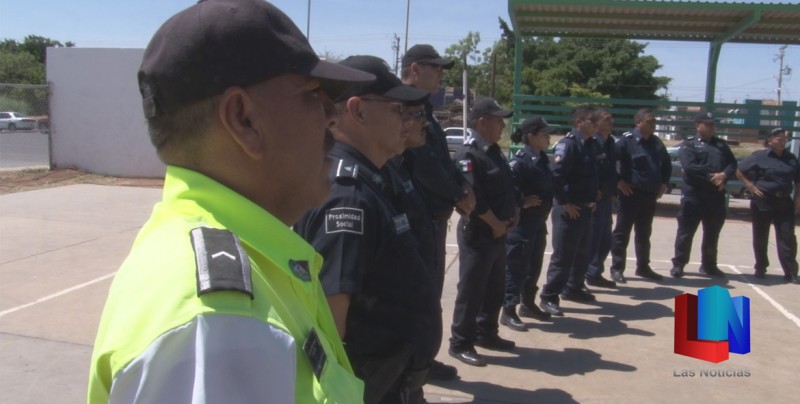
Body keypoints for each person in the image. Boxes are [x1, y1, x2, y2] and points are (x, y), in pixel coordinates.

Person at [87, 1, 376, 402]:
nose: (333, 116)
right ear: (243, 120)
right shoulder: (218, 324)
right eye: (314, 95)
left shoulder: (245, 268)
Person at [294, 55, 438, 404]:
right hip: (370, 389)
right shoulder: (349, 198)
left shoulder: (377, 175)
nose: (406, 120)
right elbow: (331, 326)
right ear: (357, 111)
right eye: (396, 109)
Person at [401, 44, 475, 380]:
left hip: (433, 217)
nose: (441, 74)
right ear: (415, 70)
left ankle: (423, 360)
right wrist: (458, 192)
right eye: (435, 68)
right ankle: (414, 364)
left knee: (429, 293)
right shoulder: (403, 107)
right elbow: (423, 166)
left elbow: (443, 159)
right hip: (417, 217)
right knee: (418, 295)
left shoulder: (425, 111)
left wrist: (463, 185)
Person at [449, 97, 518, 367]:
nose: (502, 125)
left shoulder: (492, 151)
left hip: (498, 231)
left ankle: (486, 333)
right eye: (498, 120)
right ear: (482, 122)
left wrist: (512, 216)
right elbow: (472, 199)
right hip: (478, 233)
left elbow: (506, 187)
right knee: (472, 289)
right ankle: (460, 342)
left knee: (494, 287)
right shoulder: (469, 153)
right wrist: (496, 224)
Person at [539, 106, 600, 317]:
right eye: (592, 121)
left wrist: (595, 197)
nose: (596, 125)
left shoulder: (591, 145)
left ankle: (573, 288)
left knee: (583, 254)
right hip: (569, 210)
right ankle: (549, 296)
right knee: (563, 256)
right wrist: (564, 203)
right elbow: (556, 176)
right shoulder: (568, 145)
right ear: (579, 122)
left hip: (585, 209)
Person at [500, 116, 555, 332]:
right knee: (516, 268)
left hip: (538, 222)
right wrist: (523, 202)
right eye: (544, 134)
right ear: (531, 137)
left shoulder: (542, 158)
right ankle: (509, 309)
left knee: (534, 266)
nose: (548, 137)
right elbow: (508, 190)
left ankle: (528, 304)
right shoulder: (520, 161)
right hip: (522, 225)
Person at [670, 111, 737, 279]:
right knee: (686, 232)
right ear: (697, 126)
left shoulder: (721, 145)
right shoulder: (689, 145)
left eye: (713, 124)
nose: (711, 127)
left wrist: (724, 175)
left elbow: (732, 163)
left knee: (712, 233)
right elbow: (691, 168)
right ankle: (679, 264)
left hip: (715, 197)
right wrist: (714, 177)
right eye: (707, 124)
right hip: (694, 197)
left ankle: (709, 265)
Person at [609, 108, 672, 283]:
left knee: (644, 233)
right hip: (630, 195)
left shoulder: (656, 143)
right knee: (622, 232)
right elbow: (610, 163)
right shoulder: (626, 141)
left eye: (654, 122)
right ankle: (617, 268)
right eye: (649, 121)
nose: (653, 125)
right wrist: (619, 181)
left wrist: (664, 183)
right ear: (638, 123)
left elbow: (666, 164)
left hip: (649, 196)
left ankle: (643, 267)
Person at [735, 127, 800, 283]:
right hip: (763, 200)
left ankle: (790, 271)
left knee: (787, 237)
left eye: (784, 139)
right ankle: (761, 267)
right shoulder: (759, 157)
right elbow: (739, 170)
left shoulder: (791, 158)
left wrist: (798, 201)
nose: (782, 142)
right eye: (779, 139)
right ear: (770, 140)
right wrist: (750, 186)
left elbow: (798, 182)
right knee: (761, 235)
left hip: (784, 201)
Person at [584, 108, 619, 288]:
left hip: (608, 198)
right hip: (596, 198)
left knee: (605, 239)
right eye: (606, 119)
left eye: (611, 119)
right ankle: (583, 275)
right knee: (592, 239)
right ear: (596, 124)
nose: (610, 122)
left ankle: (595, 272)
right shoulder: (593, 143)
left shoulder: (611, 142)